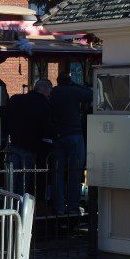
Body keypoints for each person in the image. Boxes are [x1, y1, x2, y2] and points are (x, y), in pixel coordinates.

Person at [0, 79, 55, 195]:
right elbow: (48, 129)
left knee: (11, 180)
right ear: (46, 91)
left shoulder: (17, 99)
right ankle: (21, 208)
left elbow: (4, 113)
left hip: (14, 145)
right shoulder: (44, 104)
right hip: (30, 148)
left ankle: (10, 206)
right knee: (24, 182)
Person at [50, 73, 92, 216]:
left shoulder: (54, 92)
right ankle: (73, 206)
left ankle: (60, 206)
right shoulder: (73, 91)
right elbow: (91, 94)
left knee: (58, 172)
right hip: (74, 135)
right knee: (75, 171)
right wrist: (76, 84)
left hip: (58, 135)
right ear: (69, 82)